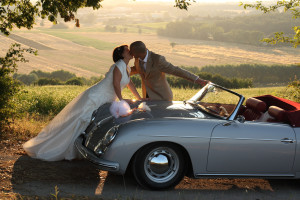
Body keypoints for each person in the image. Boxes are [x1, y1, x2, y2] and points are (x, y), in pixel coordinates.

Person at [23, 45, 141, 161]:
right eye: (127, 50)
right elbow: (116, 84)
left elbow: (130, 84)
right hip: (97, 97)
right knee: (81, 120)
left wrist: (139, 98)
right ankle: (59, 147)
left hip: (106, 98)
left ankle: (83, 148)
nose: (130, 51)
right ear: (121, 54)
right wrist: (121, 100)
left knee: (90, 123)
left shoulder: (127, 68)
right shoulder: (119, 65)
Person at [129, 41, 208, 101]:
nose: (131, 55)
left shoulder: (157, 60)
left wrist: (198, 80)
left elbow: (175, 70)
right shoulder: (137, 58)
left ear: (140, 53)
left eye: (133, 54)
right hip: (147, 97)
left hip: (162, 97)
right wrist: (121, 72)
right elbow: (137, 69)